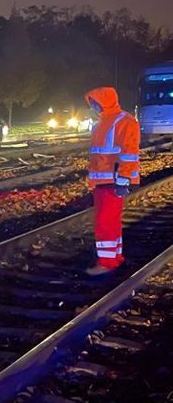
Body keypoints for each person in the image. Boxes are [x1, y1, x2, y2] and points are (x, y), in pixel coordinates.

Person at [84, 86, 140, 275]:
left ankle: (106, 263)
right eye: (91, 103)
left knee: (105, 221)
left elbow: (130, 152)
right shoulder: (102, 123)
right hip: (103, 181)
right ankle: (114, 257)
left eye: (95, 102)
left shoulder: (124, 121)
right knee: (110, 221)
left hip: (114, 180)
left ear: (105, 101)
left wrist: (124, 178)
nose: (93, 106)